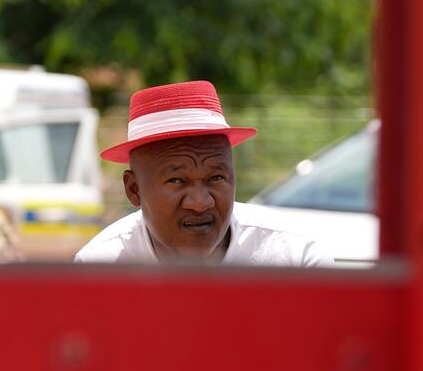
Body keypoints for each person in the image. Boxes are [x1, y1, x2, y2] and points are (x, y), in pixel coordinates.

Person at [75, 81, 334, 266]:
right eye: (176, 180)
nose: (200, 203)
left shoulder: (295, 257)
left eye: (216, 178)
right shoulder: (100, 269)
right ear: (134, 190)